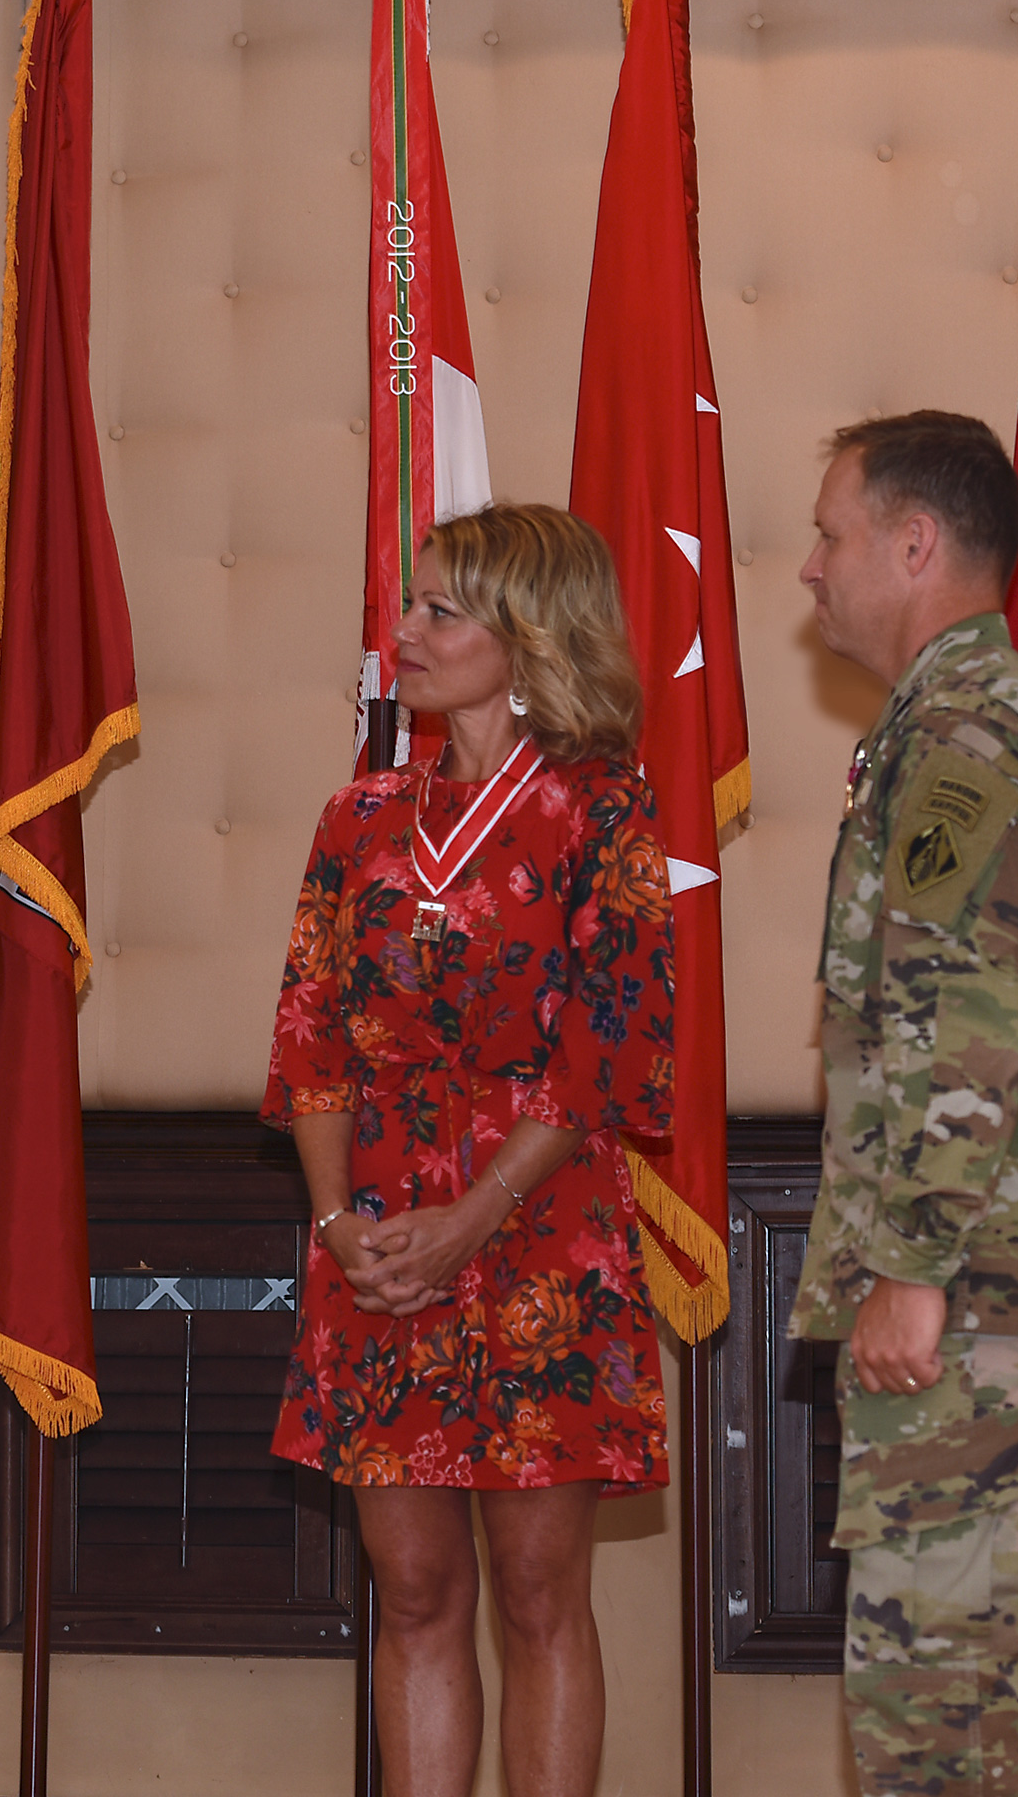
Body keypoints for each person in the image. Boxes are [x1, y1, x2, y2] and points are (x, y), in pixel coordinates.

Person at [265, 503, 677, 1797]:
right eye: (413, 604)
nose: (406, 631)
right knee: (414, 1591)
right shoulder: (357, 819)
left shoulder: (604, 809)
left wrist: (473, 1216)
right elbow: (310, 1041)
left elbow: (610, 1050)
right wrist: (340, 1228)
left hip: (542, 1234)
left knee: (540, 1595)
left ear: (528, 634)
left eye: (440, 610)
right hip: (379, 1249)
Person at [790, 411, 1018, 1797]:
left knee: (944, 1722)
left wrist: (912, 1267)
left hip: (982, 1288)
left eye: (831, 534)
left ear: (915, 544)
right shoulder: (979, 724)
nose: (810, 568)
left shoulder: (965, 739)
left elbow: (961, 1022)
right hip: (1015, 1280)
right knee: (999, 1708)